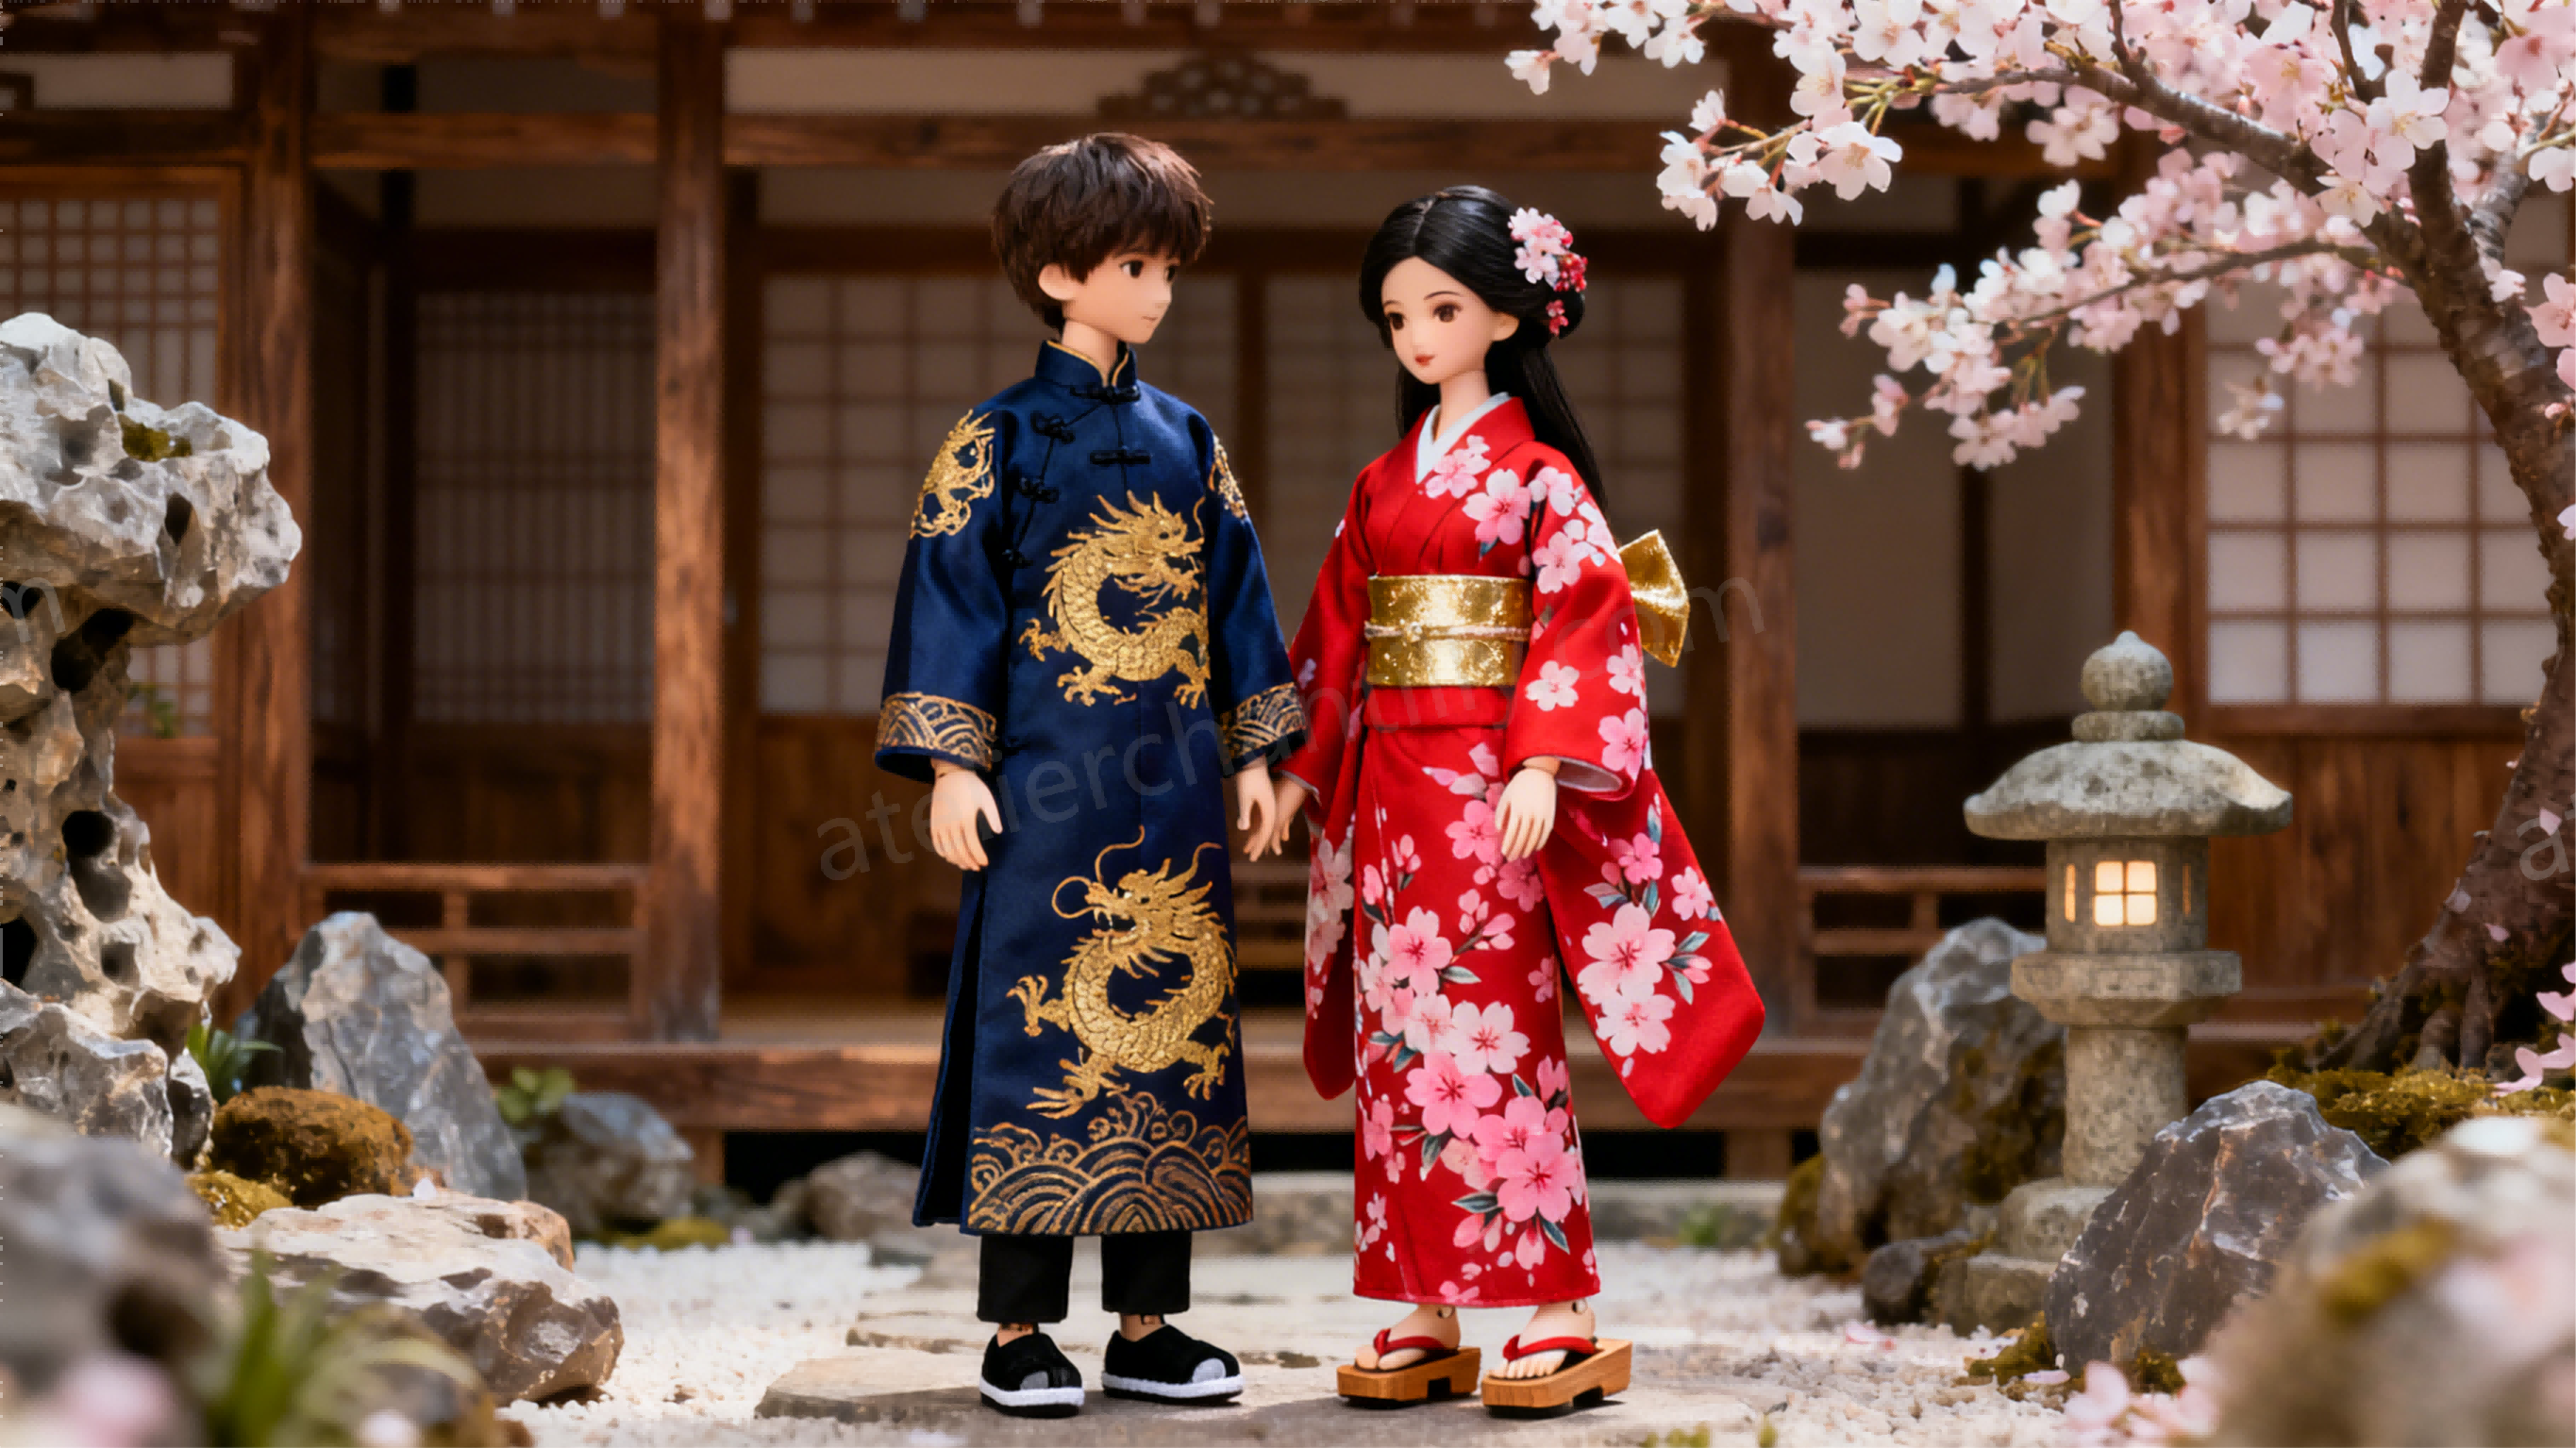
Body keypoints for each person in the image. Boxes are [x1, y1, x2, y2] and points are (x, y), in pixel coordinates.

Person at [1266, 186, 1765, 1414]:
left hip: (1491, 790)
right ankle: (1424, 1299)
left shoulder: (1540, 479)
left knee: (1496, 1034)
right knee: (1401, 1043)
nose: (1416, 337)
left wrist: (1544, 761)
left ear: (1504, 316)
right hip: (1390, 797)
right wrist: (1297, 771)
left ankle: (1557, 1302)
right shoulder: (1379, 485)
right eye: (1397, 317)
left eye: (1440, 310)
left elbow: (1585, 619)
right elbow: (1336, 635)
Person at [877, 132, 1306, 1419]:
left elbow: (1237, 598)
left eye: (1167, 267)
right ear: (1060, 275)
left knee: (1175, 1041)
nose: (1158, 290)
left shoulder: (1188, 438)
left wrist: (1258, 749)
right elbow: (950, 598)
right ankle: (1018, 1330)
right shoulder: (994, 437)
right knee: (1032, 1039)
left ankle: (1147, 1324)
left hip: (1173, 792)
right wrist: (951, 767)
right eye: (1134, 265)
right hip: (1038, 797)